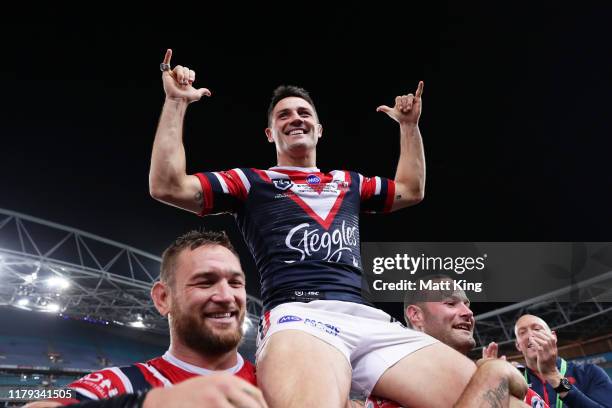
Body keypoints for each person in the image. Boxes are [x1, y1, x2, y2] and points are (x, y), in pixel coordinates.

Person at [149, 49, 477, 407]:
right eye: (283, 115)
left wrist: (409, 127)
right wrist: (176, 102)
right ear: (269, 133)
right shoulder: (250, 182)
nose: (295, 119)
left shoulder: (350, 183)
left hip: (369, 319)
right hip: (299, 317)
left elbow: (411, 190)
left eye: (304, 113)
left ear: (319, 130)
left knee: (496, 398)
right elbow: (168, 185)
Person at [24, 230, 267, 408]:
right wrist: (153, 402)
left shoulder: (275, 382)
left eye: (235, 283)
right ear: (163, 298)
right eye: (205, 282)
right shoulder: (121, 383)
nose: (226, 296)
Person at [363, 276, 539, 408]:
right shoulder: (391, 383)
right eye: (450, 303)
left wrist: (554, 376)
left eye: (467, 304)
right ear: (416, 315)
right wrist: (494, 373)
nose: (468, 312)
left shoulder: (498, 376)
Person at [515, 314, 612, 407]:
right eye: (522, 333)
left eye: (537, 329)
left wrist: (554, 376)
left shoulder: (588, 373)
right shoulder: (515, 384)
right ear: (518, 345)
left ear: (553, 337)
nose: (530, 335)